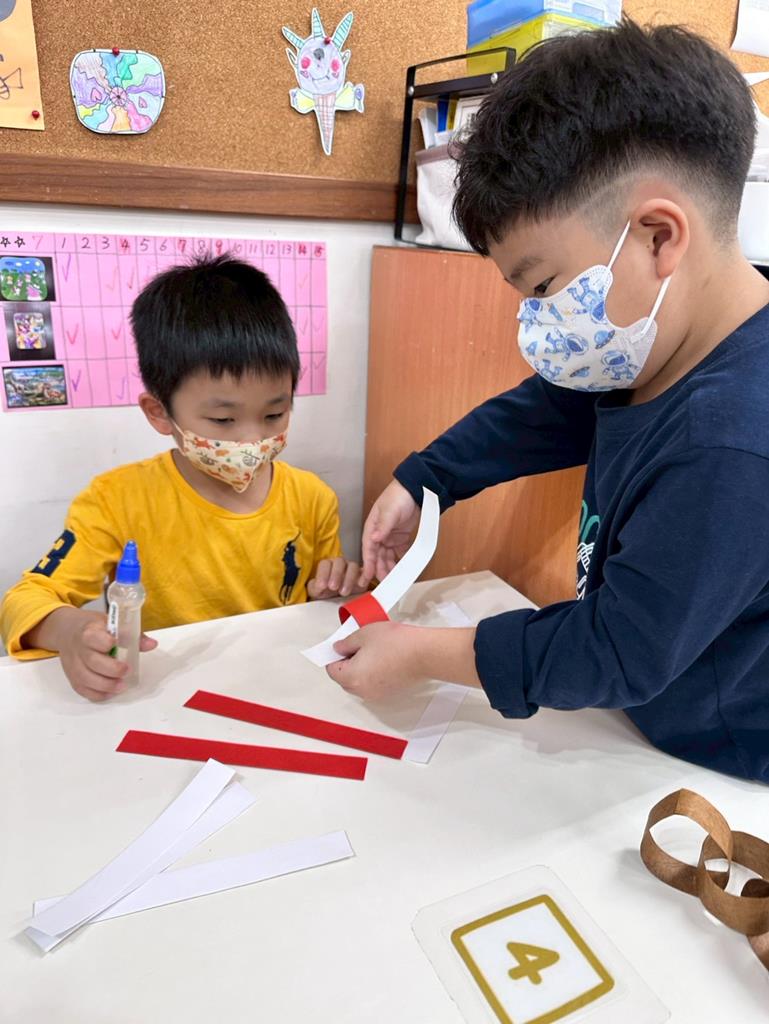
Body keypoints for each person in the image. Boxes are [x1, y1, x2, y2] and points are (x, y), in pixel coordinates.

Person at [331, 20, 769, 783]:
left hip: (713, 761)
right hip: (637, 716)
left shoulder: (731, 439)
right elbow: (549, 408)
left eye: (542, 286)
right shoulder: (664, 341)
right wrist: (424, 480)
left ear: (657, 236)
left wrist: (422, 654)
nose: (536, 322)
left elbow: (618, 649)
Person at [1, 256, 360, 701]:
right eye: (223, 420)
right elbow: (23, 599)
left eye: (275, 414)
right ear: (159, 413)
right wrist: (68, 630)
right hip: (166, 698)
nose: (253, 440)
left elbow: (321, 607)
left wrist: (337, 586)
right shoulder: (117, 500)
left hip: (279, 690)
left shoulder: (313, 498)